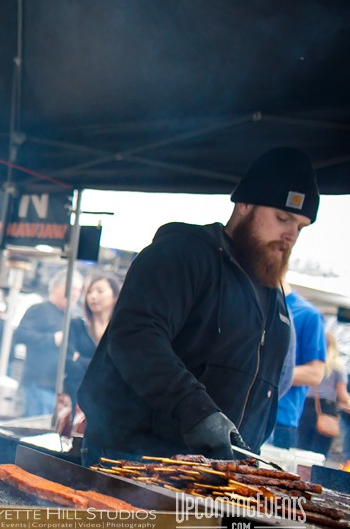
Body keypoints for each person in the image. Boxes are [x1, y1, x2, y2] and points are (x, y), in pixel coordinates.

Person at [78, 146, 320, 465]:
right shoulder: (183, 254)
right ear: (244, 204)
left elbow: (274, 382)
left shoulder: (273, 296)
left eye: (300, 227)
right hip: (133, 454)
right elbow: (135, 336)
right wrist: (197, 412)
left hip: (219, 471)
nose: (290, 235)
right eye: (282, 218)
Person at [12, 269, 83, 418]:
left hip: (58, 388)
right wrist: (52, 339)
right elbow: (21, 335)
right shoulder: (39, 309)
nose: (76, 293)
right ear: (56, 287)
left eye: (79, 290)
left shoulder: (71, 317)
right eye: (72, 288)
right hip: (38, 383)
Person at [268, 281, 326, 448]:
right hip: (243, 414)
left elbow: (315, 374)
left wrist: (264, 373)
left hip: (280, 420)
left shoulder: (308, 314)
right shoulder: (253, 302)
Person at [64, 273, 121, 410]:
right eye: (89, 292)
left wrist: (82, 360)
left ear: (114, 296)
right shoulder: (77, 325)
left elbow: (120, 368)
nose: (93, 296)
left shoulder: (120, 331)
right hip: (75, 397)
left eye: (100, 291)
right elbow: (69, 362)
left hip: (108, 401)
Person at [298, 331, 347, 457]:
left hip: (307, 406)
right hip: (327, 409)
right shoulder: (337, 367)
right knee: (319, 452)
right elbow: (342, 396)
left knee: (301, 449)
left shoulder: (310, 364)